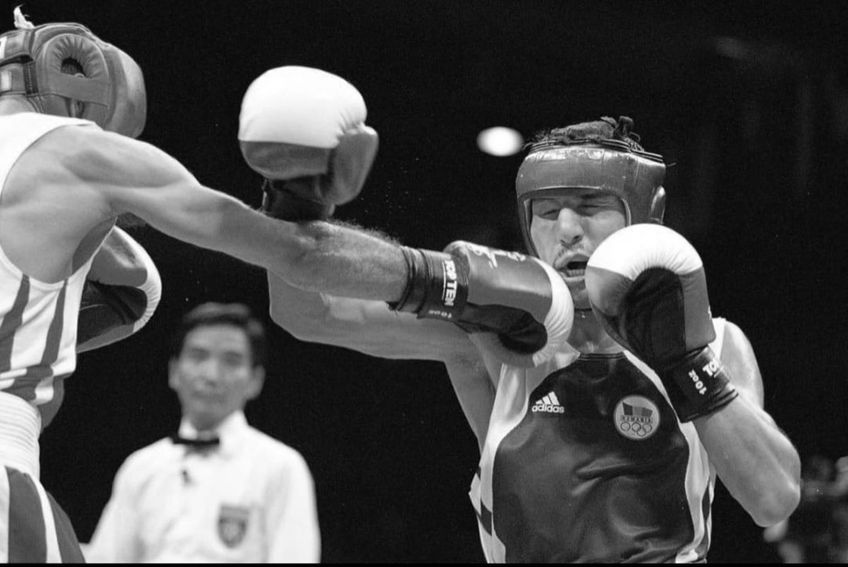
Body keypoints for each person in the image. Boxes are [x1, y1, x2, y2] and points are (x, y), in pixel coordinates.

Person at [234, 66, 804, 562]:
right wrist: (293, 194)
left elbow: (773, 498)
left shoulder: (717, 343)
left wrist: (685, 363)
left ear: (646, 217)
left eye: (591, 207)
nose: (568, 231)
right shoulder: (491, 341)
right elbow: (309, 316)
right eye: (546, 212)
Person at [83, 302, 320, 563]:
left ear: (255, 380)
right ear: (174, 371)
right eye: (198, 356)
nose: (211, 375)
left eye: (231, 361)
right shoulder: (141, 467)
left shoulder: (280, 467)